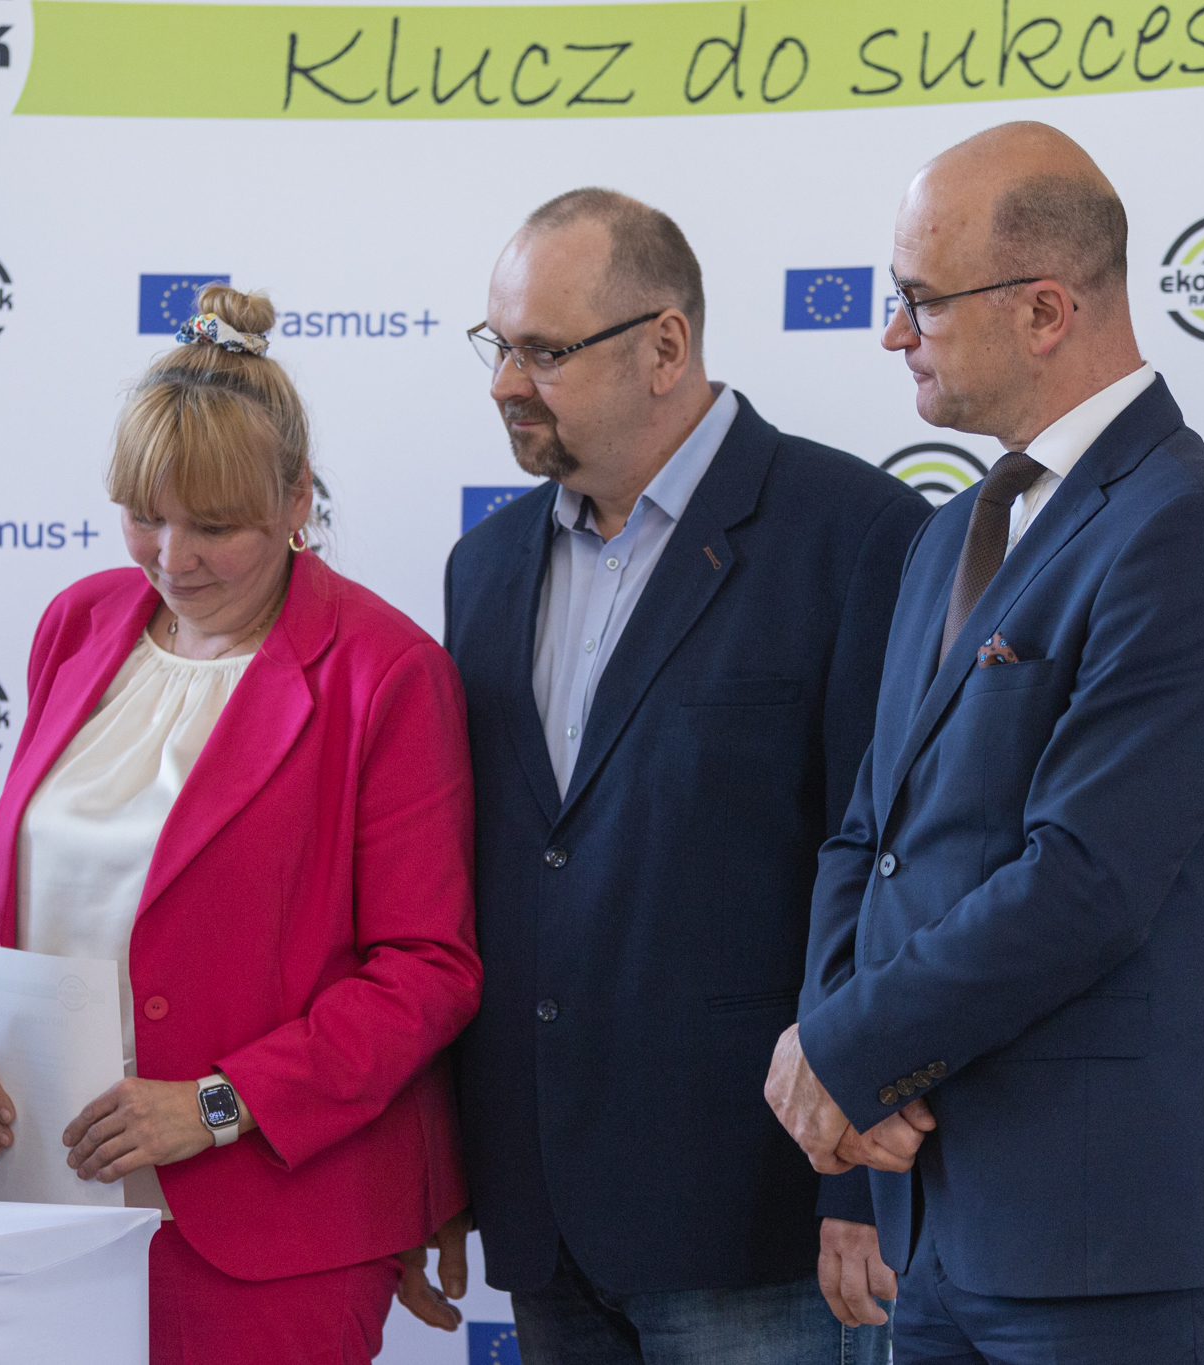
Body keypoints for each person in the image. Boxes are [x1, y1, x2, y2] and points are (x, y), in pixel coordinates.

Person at [765, 122, 1204, 1364]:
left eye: (918, 301)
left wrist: (846, 1053)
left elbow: (1084, 880)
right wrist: (842, 1091)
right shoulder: (947, 532)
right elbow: (868, 837)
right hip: (931, 1221)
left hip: (1102, 1233)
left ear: (1044, 310)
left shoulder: (1184, 529)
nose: (891, 334)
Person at [0, 284, 482, 1365]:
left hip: (272, 1223)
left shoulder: (388, 672)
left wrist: (219, 1105)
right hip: (52, 1200)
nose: (171, 556)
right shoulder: (77, 623)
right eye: (146, 514)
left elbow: (426, 970)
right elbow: (13, 877)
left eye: (214, 526)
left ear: (296, 499)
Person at [429, 189, 932, 1362]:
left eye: (543, 351)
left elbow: (890, 878)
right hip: (542, 1219)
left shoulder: (855, 534)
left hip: (760, 1222)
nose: (503, 383)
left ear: (664, 347)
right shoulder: (482, 568)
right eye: (496, 345)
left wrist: (856, 1184)